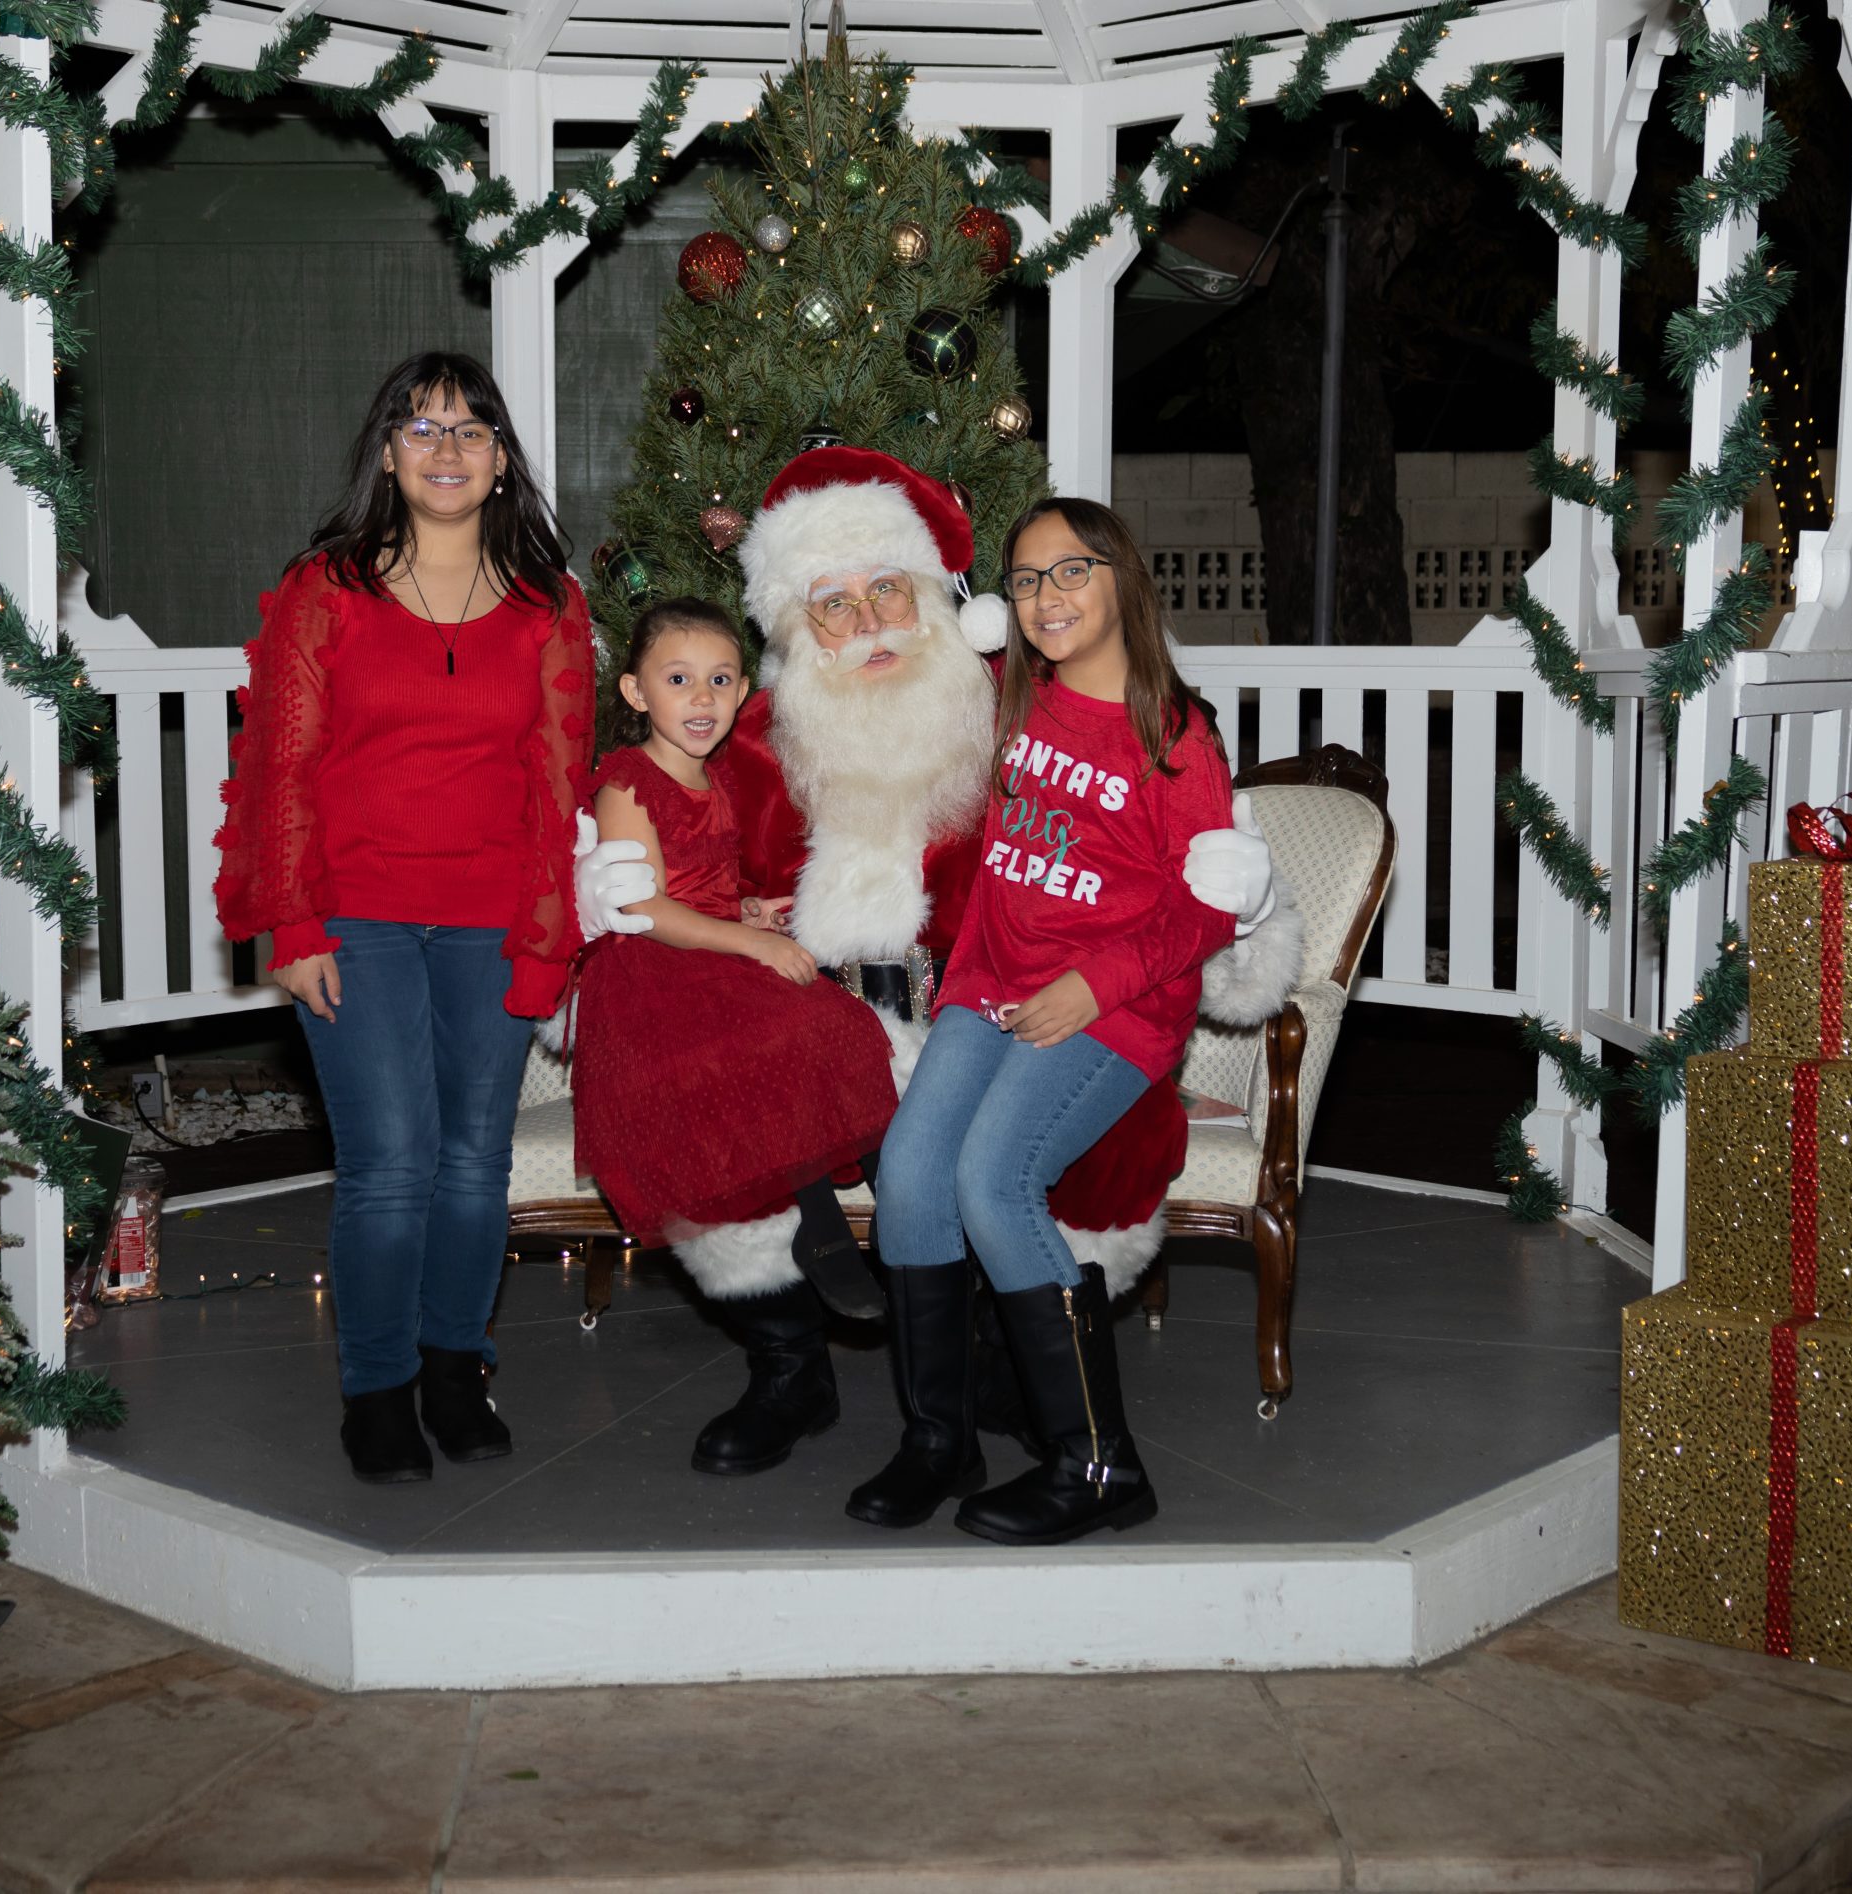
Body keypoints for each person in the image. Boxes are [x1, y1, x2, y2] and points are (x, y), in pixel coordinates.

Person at [568, 448, 1301, 1481]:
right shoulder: (744, 739)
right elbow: (672, 861)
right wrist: (625, 895)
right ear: (793, 630)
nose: (869, 622)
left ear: (943, 600)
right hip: (844, 1019)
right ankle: (801, 1371)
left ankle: (1028, 1390)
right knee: (722, 1101)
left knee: (1044, 1161)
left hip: (1041, 1013)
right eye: (832, 604)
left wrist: (1240, 911)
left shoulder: (1002, 703)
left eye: (890, 590)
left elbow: (1180, 857)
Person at [214, 351, 593, 1485]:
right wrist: (292, 929)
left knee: (474, 1165)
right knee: (390, 1164)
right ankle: (376, 1389)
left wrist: (546, 942)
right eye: (421, 428)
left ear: (501, 461)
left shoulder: (549, 605)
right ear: (387, 453)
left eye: (471, 430)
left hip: (490, 921)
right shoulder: (325, 589)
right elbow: (282, 767)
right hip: (357, 918)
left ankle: (454, 1370)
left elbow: (558, 787)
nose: (446, 449)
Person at [854, 497, 1238, 1545]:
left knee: (992, 1180)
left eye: (1070, 571)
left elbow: (1208, 906)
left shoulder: (1176, 736)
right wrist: (964, 985)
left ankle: (1099, 1463)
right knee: (911, 1175)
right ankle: (940, 1439)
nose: (1046, 596)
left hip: (1115, 1007)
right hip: (993, 986)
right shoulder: (1017, 705)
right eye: (1025, 579)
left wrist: (1093, 986)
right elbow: (998, 869)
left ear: (1120, 580)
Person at [572, 601, 900, 1420]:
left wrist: (747, 912)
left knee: (834, 1028)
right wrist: (745, 941)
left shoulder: (716, 777)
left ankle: (883, 1233)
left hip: (712, 952)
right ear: (636, 692)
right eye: (679, 680)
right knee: (755, 1044)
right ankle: (816, 1229)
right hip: (652, 971)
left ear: (743, 688)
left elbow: (706, 887)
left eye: (720, 681)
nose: (702, 698)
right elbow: (643, 904)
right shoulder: (628, 779)